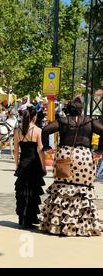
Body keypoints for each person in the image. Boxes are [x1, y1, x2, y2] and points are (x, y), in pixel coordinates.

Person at [40, 97, 103, 236]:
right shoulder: (89, 121)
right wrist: (99, 150)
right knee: (82, 190)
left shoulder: (63, 121)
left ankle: (57, 224)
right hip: (84, 157)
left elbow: (45, 130)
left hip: (65, 156)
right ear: (81, 109)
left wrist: (47, 147)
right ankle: (83, 225)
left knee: (62, 187)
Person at [13, 106, 46, 229]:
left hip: (23, 164)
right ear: (34, 117)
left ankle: (22, 218)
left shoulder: (17, 131)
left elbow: (15, 151)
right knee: (32, 192)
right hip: (34, 164)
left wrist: (17, 165)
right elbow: (40, 150)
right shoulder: (37, 130)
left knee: (21, 192)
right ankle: (30, 218)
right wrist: (43, 166)